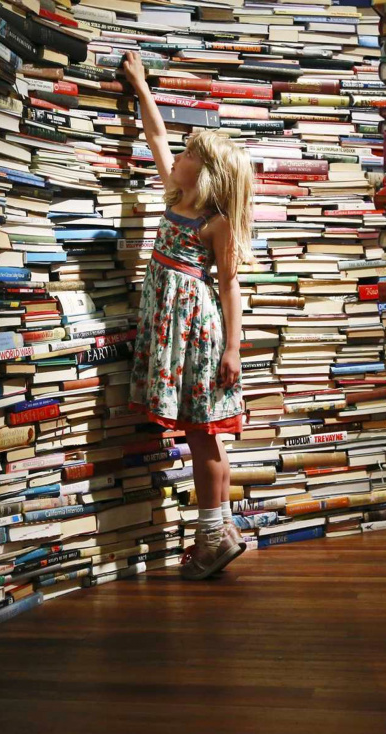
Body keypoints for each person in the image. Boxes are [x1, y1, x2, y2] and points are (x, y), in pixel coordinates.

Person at [121, 51, 255, 580]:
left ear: (207, 173)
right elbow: (155, 135)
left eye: (188, 155)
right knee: (205, 435)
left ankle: (209, 539)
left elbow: (228, 284)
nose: (176, 156)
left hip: (197, 337)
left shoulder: (214, 223)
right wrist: (139, 84)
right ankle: (220, 530)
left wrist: (232, 347)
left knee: (204, 433)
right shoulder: (174, 195)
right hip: (173, 335)